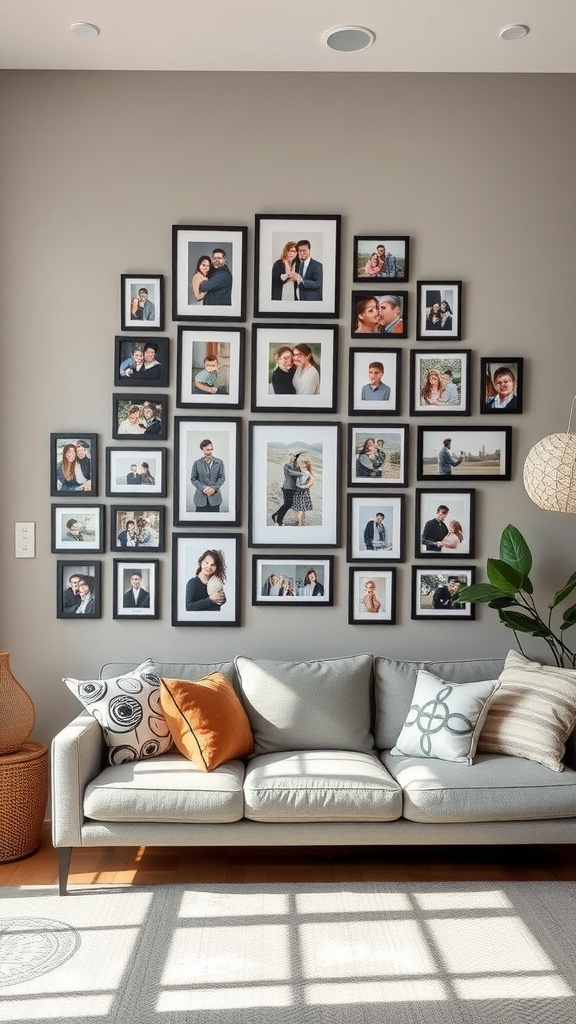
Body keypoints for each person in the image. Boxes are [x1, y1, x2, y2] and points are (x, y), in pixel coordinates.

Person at [190, 438, 225, 511]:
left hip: (215, 499)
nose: (210, 451)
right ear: (202, 449)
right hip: (200, 499)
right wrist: (204, 488)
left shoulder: (219, 462)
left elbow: (221, 477)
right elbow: (193, 479)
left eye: (211, 449)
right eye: (207, 450)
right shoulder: (197, 463)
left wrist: (214, 488)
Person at [272, 452, 302, 525]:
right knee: (288, 504)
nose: (294, 458)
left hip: (294, 488)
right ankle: (279, 520)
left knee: (287, 505)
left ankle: (276, 515)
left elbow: (300, 475)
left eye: (295, 457)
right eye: (293, 456)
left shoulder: (297, 466)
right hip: (287, 487)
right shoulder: (286, 465)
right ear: (290, 457)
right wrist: (301, 473)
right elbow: (290, 473)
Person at [292, 457, 315, 526]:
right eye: (301, 467)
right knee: (299, 508)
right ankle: (300, 521)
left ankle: (300, 524)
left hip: (303, 493)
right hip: (298, 492)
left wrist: (305, 475)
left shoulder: (309, 475)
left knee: (300, 508)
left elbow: (301, 484)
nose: (302, 469)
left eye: (305, 467)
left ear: (308, 468)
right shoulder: (300, 473)